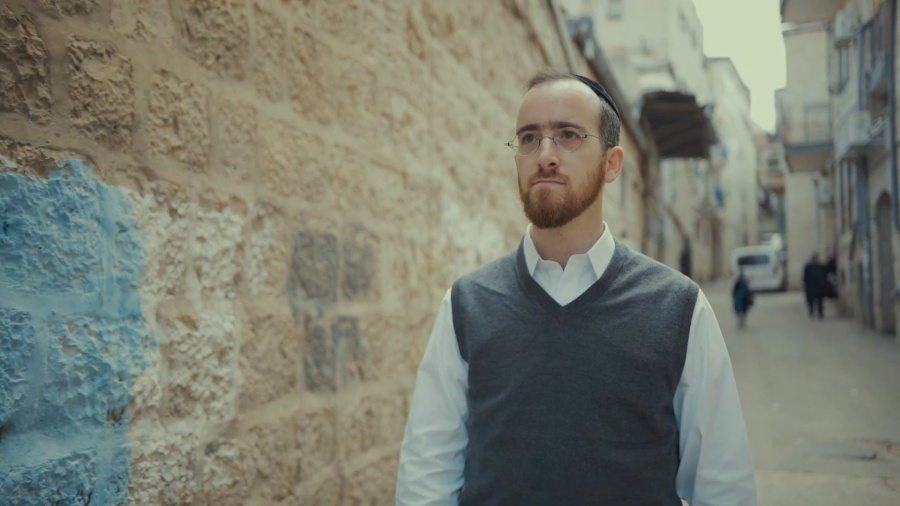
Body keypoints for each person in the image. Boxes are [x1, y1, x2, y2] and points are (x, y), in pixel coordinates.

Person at [395, 70, 757, 505]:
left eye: (568, 135)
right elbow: (427, 477)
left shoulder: (678, 308)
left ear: (612, 164)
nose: (545, 155)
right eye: (529, 138)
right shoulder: (466, 306)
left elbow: (722, 486)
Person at [803, 253, 829, 319]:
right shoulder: (821, 265)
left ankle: (812, 311)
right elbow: (825, 275)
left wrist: (805, 284)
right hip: (819, 286)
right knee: (820, 300)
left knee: (811, 300)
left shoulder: (808, 266)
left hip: (811, 286)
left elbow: (805, 277)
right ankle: (820, 313)